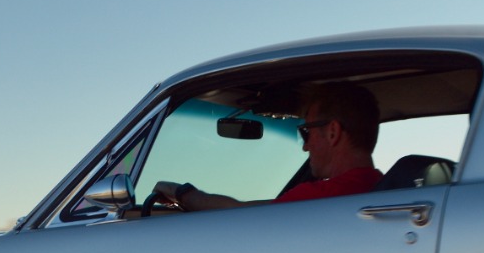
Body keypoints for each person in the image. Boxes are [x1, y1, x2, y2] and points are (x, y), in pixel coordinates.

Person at [155, 81, 382, 211]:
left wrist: (180, 192)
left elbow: (242, 215)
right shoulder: (379, 188)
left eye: (306, 132)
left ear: (332, 132)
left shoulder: (323, 198)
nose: (305, 147)